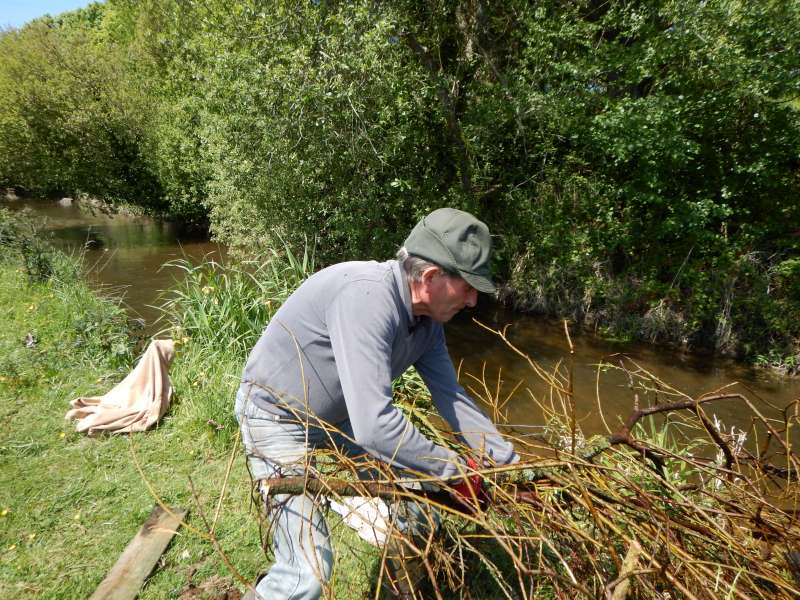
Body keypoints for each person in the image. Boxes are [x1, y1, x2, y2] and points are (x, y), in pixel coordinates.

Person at [235, 208, 518, 599]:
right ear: (432, 277)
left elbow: (452, 398)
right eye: (468, 287)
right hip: (277, 417)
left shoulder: (428, 325)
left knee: (417, 502)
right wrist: (454, 471)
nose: (472, 301)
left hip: (340, 420)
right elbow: (375, 426)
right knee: (307, 574)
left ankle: (409, 585)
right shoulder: (366, 297)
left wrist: (509, 464)